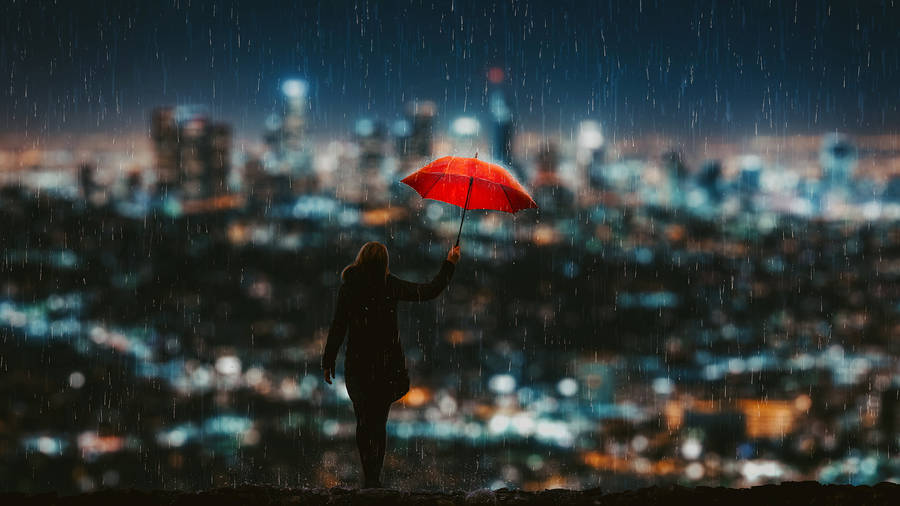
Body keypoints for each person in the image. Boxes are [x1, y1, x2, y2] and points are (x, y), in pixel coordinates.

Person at [322, 242, 460, 488]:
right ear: (384, 263)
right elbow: (429, 291)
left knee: (363, 421)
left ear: (360, 259)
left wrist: (328, 360)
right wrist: (449, 263)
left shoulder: (349, 288)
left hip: (358, 365)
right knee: (378, 422)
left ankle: (369, 476)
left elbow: (338, 326)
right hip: (386, 366)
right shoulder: (390, 286)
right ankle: (374, 478)